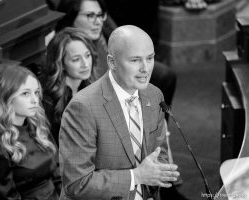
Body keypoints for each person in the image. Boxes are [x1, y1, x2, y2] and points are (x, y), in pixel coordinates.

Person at [59, 25, 180, 200]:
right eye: (135, 60)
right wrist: (137, 176)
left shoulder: (154, 95)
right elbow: (77, 184)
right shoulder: (82, 107)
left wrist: (158, 172)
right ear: (112, 62)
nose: (145, 68)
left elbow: (158, 153)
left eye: (150, 58)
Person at [49, 0, 177, 121]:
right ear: (71, 16)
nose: (98, 21)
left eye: (100, 15)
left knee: (164, 76)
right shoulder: (62, 45)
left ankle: (159, 133)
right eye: (90, 15)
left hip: (120, 72)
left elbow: (127, 43)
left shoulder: (104, 29)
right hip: (104, 92)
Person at [0, 65, 60, 200]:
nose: (34, 100)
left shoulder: (39, 130)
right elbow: (7, 197)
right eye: (25, 93)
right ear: (7, 97)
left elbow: (59, 176)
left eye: (36, 92)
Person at [40, 27, 95, 145]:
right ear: (61, 64)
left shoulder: (90, 88)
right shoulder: (48, 100)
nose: (85, 64)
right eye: (76, 60)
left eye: (87, 55)